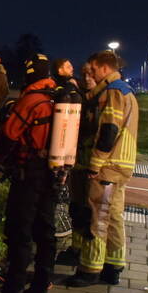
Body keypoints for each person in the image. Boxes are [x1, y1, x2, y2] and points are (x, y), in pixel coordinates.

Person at [0, 53, 58, 293]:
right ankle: (40, 288)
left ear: (29, 74)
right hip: (54, 173)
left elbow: (10, 135)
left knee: (19, 234)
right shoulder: (59, 98)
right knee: (46, 231)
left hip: (29, 175)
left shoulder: (31, 101)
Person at [66, 50, 139, 287]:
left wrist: (95, 162)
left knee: (96, 216)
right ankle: (114, 265)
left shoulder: (113, 92)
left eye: (94, 69)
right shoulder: (122, 90)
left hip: (108, 165)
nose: (92, 74)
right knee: (113, 216)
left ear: (104, 68)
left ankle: (90, 269)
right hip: (120, 164)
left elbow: (109, 130)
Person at [57, 62, 97, 267]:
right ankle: (76, 249)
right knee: (76, 209)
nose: (87, 78)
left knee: (90, 213)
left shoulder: (101, 100)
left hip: (93, 165)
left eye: (92, 74)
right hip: (78, 161)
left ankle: (89, 260)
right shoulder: (82, 96)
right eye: (84, 74)